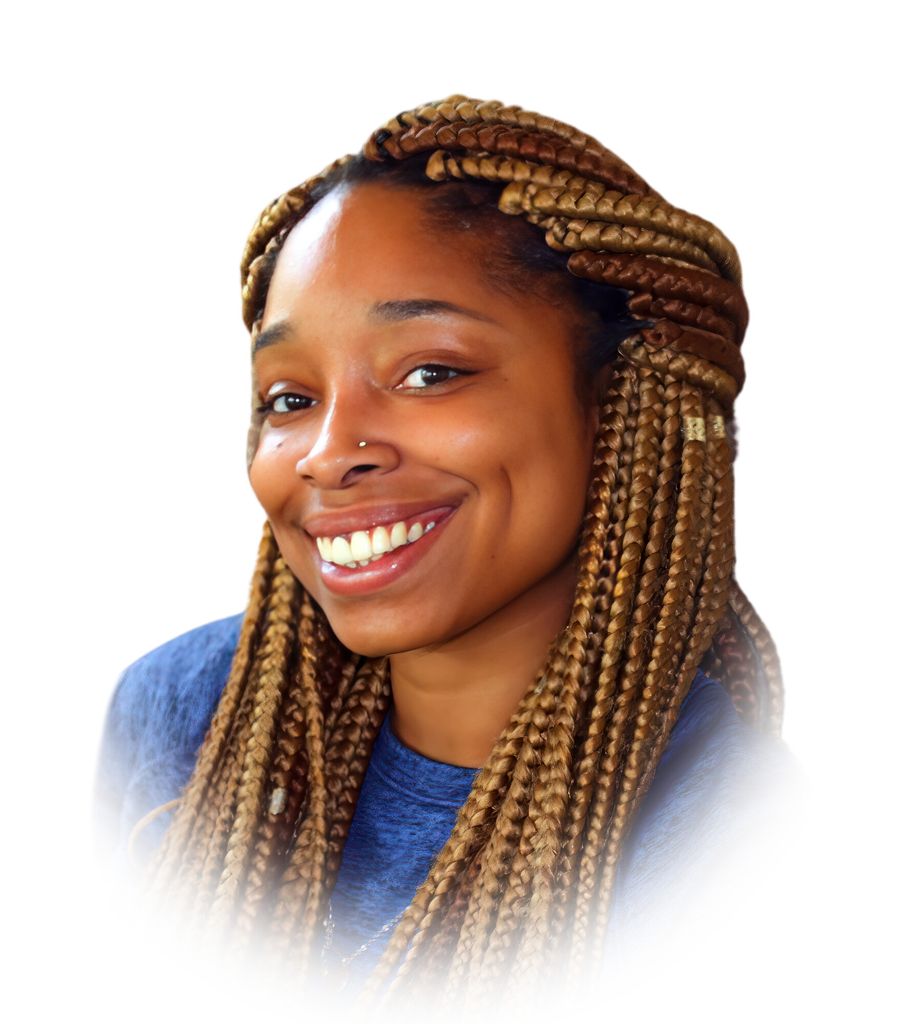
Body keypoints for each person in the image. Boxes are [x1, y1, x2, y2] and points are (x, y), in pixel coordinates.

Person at [94, 95, 795, 1009]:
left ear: (621, 409)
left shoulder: (736, 847)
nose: (326, 454)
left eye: (429, 373)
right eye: (289, 398)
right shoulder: (177, 713)